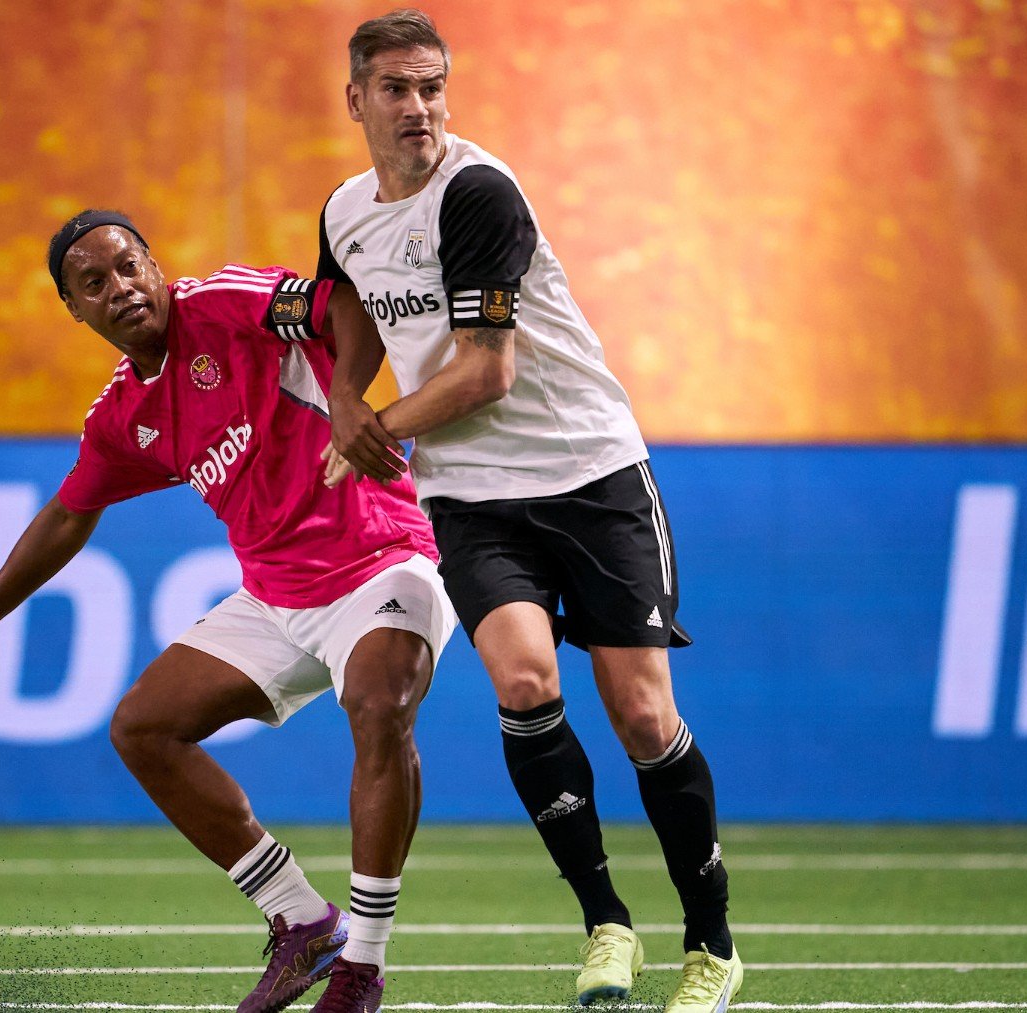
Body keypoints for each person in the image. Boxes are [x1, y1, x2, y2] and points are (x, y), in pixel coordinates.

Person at [0, 210, 456, 1013]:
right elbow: (70, 513)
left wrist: (347, 396)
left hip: (380, 556)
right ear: (75, 310)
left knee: (379, 705)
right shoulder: (123, 416)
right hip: (276, 598)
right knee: (142, 726)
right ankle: (301, 919)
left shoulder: (232, 304)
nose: (121, 289)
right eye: (94, 284)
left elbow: (344, 303)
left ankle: (361, 968)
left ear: (155, 264)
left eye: (129, 266)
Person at [314, 11, 743, 1012]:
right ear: (356, 101)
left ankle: (711, 940)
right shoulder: (343, 209)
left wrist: (369, 427)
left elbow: (487, 371)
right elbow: (349, 305)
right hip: (471, 495)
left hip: (588, 472)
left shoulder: (478, 192)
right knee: (522, 681)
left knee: (642, 714)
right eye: (396, 89)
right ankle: (606, 922)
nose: (418, 106)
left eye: (432, 87)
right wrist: (344, 395)